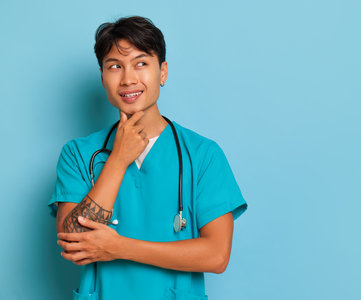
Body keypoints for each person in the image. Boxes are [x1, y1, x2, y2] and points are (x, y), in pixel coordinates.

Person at [48, 16, 247, 300]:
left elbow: (216, 256)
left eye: (141, 63)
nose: (128, 78)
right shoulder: (78, 153)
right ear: (103, 77)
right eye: (115, 66)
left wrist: (118, 247)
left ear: (162, 72)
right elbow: (72, 244)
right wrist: (117, 160)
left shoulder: (203, 154)